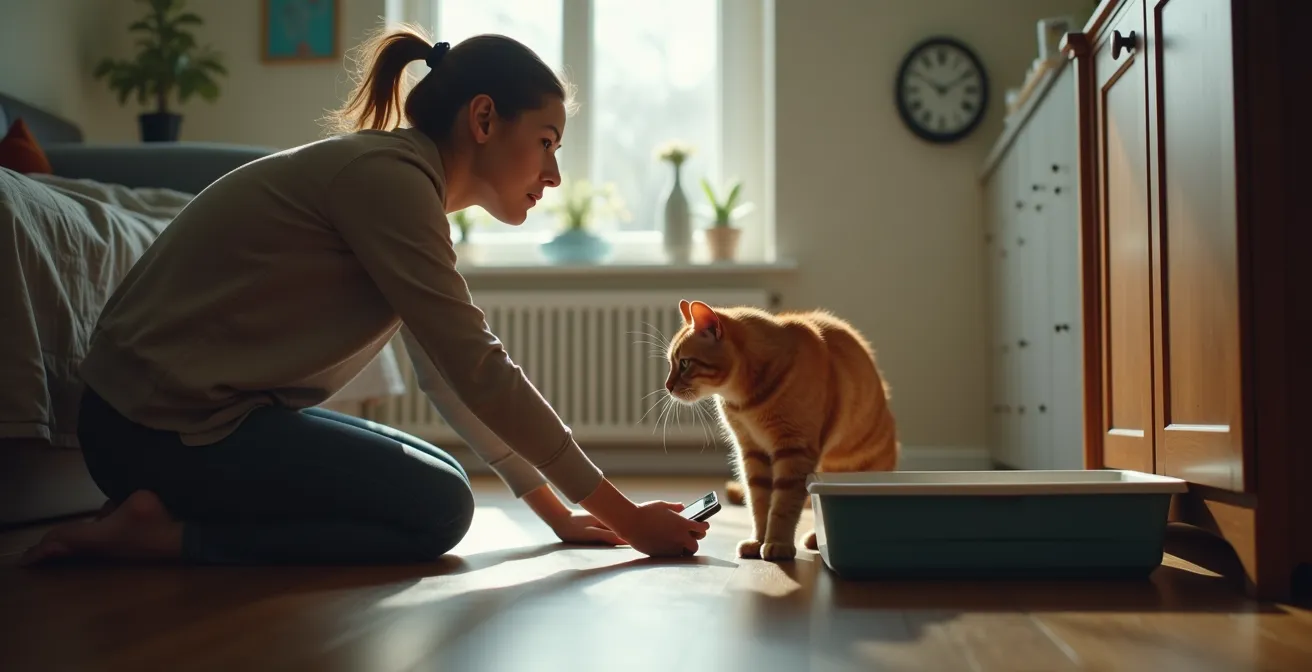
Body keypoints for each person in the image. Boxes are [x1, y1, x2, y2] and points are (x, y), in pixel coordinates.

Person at [20, 27, 710, 567]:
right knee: (440, 508)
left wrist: (559, 514)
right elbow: (479, 367)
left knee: (439, 477)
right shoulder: (390, 182)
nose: (554, 174)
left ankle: (164, 519)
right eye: (546, 142)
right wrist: (627, 517)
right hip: (149, 431)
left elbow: (445, 375)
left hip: (187, 420)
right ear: (483, 118)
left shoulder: (403, 186)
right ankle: (173, 539)